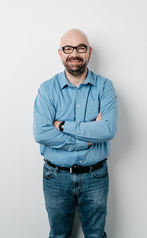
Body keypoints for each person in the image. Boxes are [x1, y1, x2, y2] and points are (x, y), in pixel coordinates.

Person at [33, 28, 117, 238]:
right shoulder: (47, 89)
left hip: (95, 175)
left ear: (89, 51)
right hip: (56, 176)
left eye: (80, 48)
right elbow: (41, 133)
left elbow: (107, 129)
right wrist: (87, 140)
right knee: (58, 235)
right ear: (60, 53)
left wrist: (62, 126)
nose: (74, 54)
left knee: (96, 235)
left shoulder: (105, 87)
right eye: (68, 48)